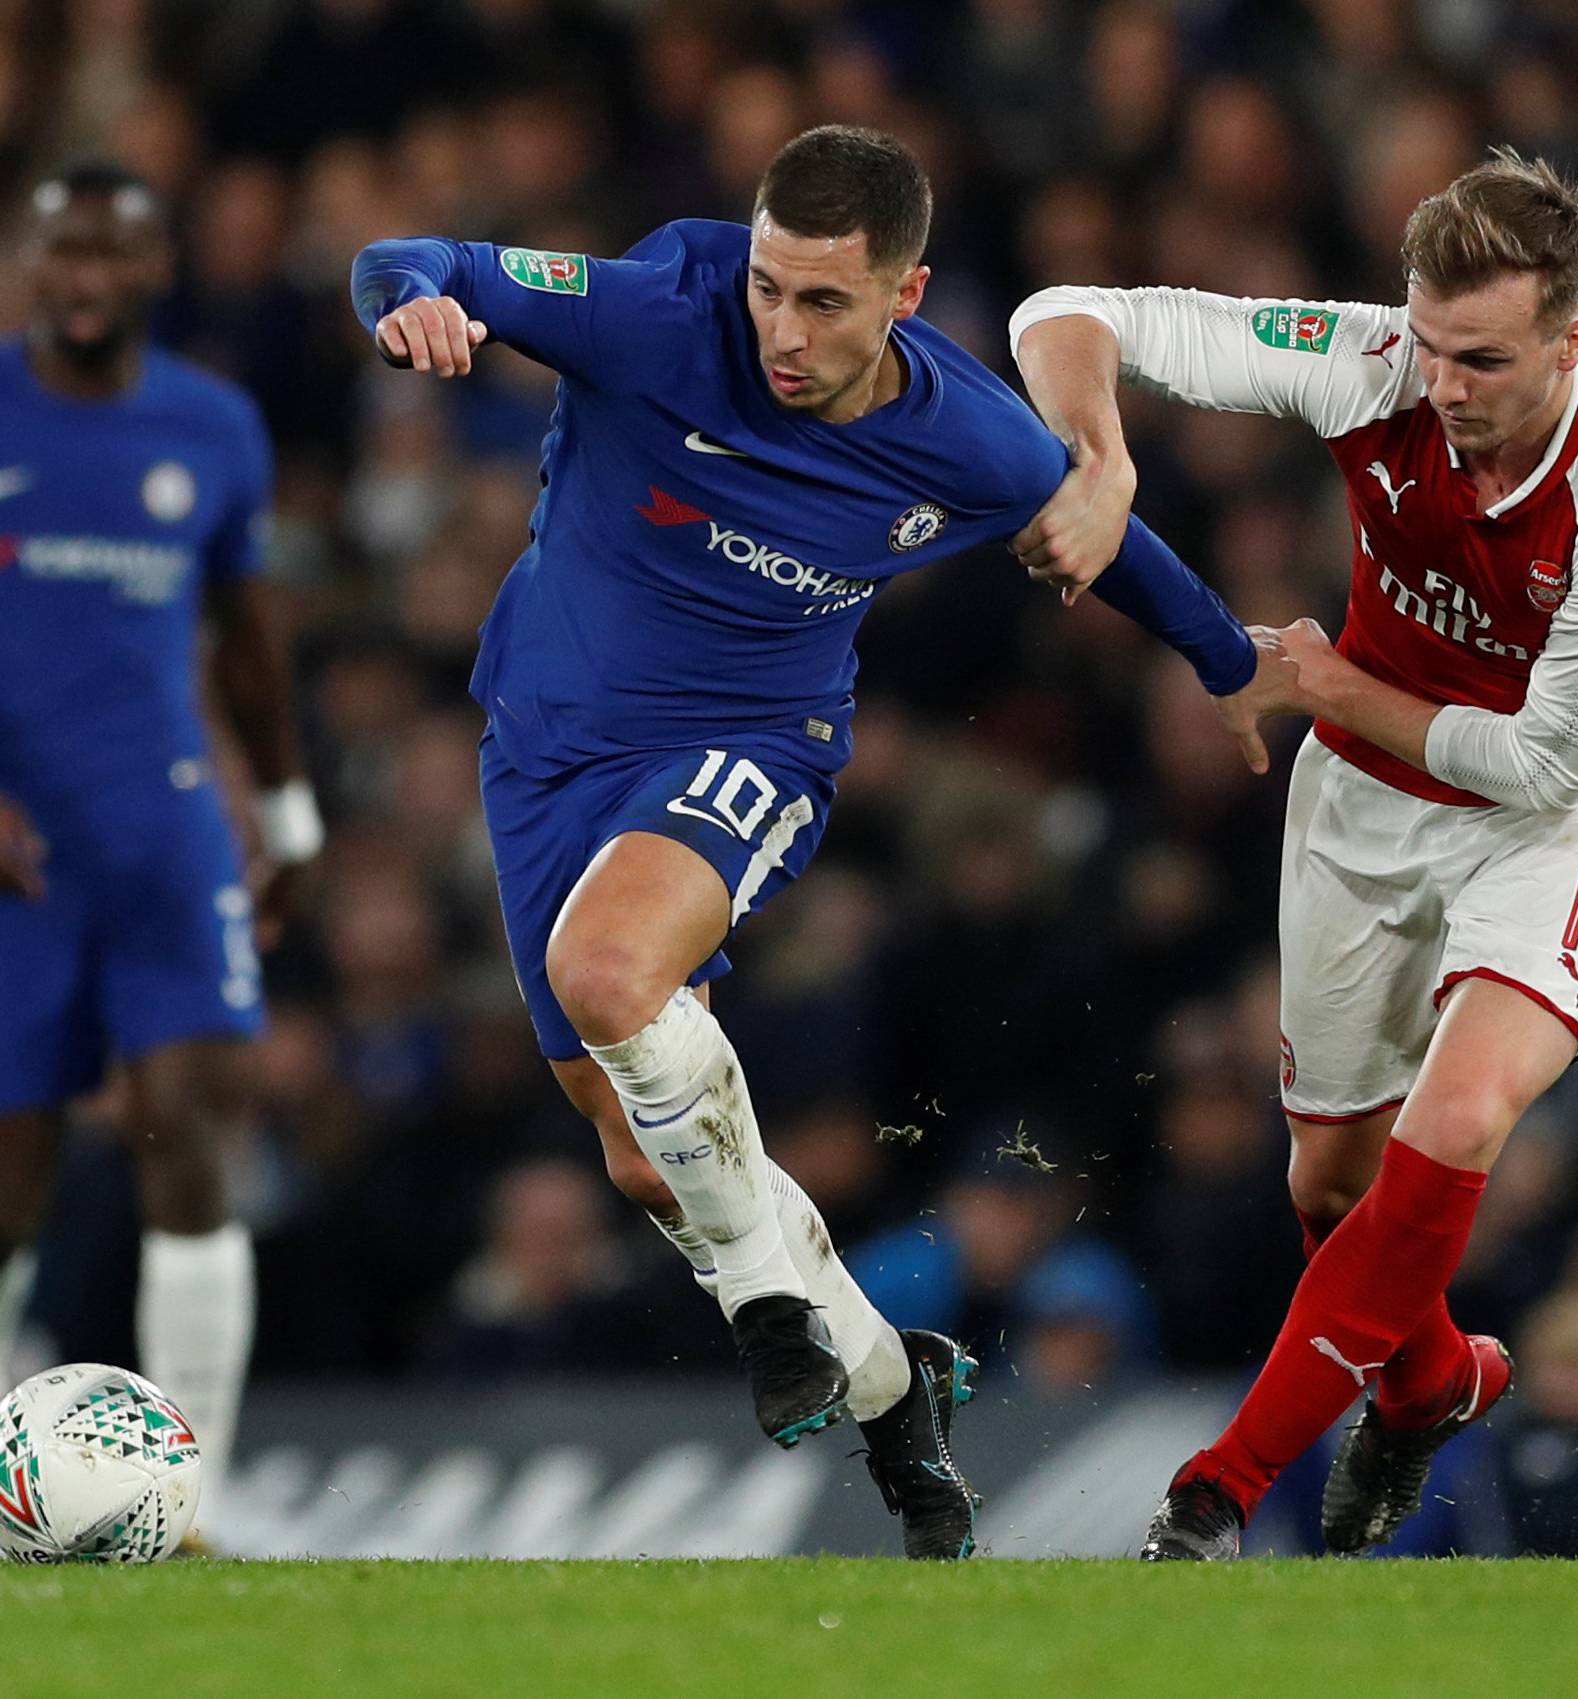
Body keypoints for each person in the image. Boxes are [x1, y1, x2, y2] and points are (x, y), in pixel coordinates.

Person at [349, 125, 1263, 1560]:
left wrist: (1228, 663)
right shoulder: (661, 310)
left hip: (753, 749)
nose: (780, 326)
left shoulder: (969, 435)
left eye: (823, 300)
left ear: (906, 297)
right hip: (544, 746)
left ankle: (770, 1314)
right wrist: (404, 305)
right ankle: (900, 1391)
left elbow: (1112, 541)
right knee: (648, 1164)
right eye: (771, 286)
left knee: (609, 973)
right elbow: (424, 256)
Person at [1010, 147, 1578, 1559]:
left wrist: (1320, 685)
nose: (1445, 386)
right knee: (1333, 1193)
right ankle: (1435, 1383)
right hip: (1366, 801)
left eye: (1487, 360)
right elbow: (1065, 312)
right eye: (1433, 345)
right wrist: (1104, 459)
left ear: (1576, 342)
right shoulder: (1371, 359)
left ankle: (1216, 1493)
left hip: (1573, 813)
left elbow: (1533, 762)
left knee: (1453, 1129)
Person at [0, 163, 322, 1535]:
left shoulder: (213, 424)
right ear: (29, 262)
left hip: (166, 826)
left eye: (111, 254)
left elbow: (243, 635)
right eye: (61, 251)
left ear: (155, 268)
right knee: (8, 1172)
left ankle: (190, 1501)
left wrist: (291, 807)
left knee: (191, 1125)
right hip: (17, 848)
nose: (84, 278)